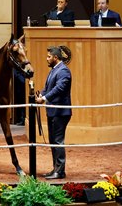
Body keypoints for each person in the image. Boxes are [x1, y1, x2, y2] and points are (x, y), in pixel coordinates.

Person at [35, 45, 72, 180]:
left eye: (49, 57)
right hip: (53, 111)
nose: (47, 59)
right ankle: (56, 169)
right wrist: (40, 95)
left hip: (60, 112)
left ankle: (60, 171)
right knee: (53, 141)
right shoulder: (54, 70)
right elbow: (48, 88)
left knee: (57, 141)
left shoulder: (63, 71)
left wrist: (44, 98)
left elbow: (59, 88)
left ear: (56, 58)